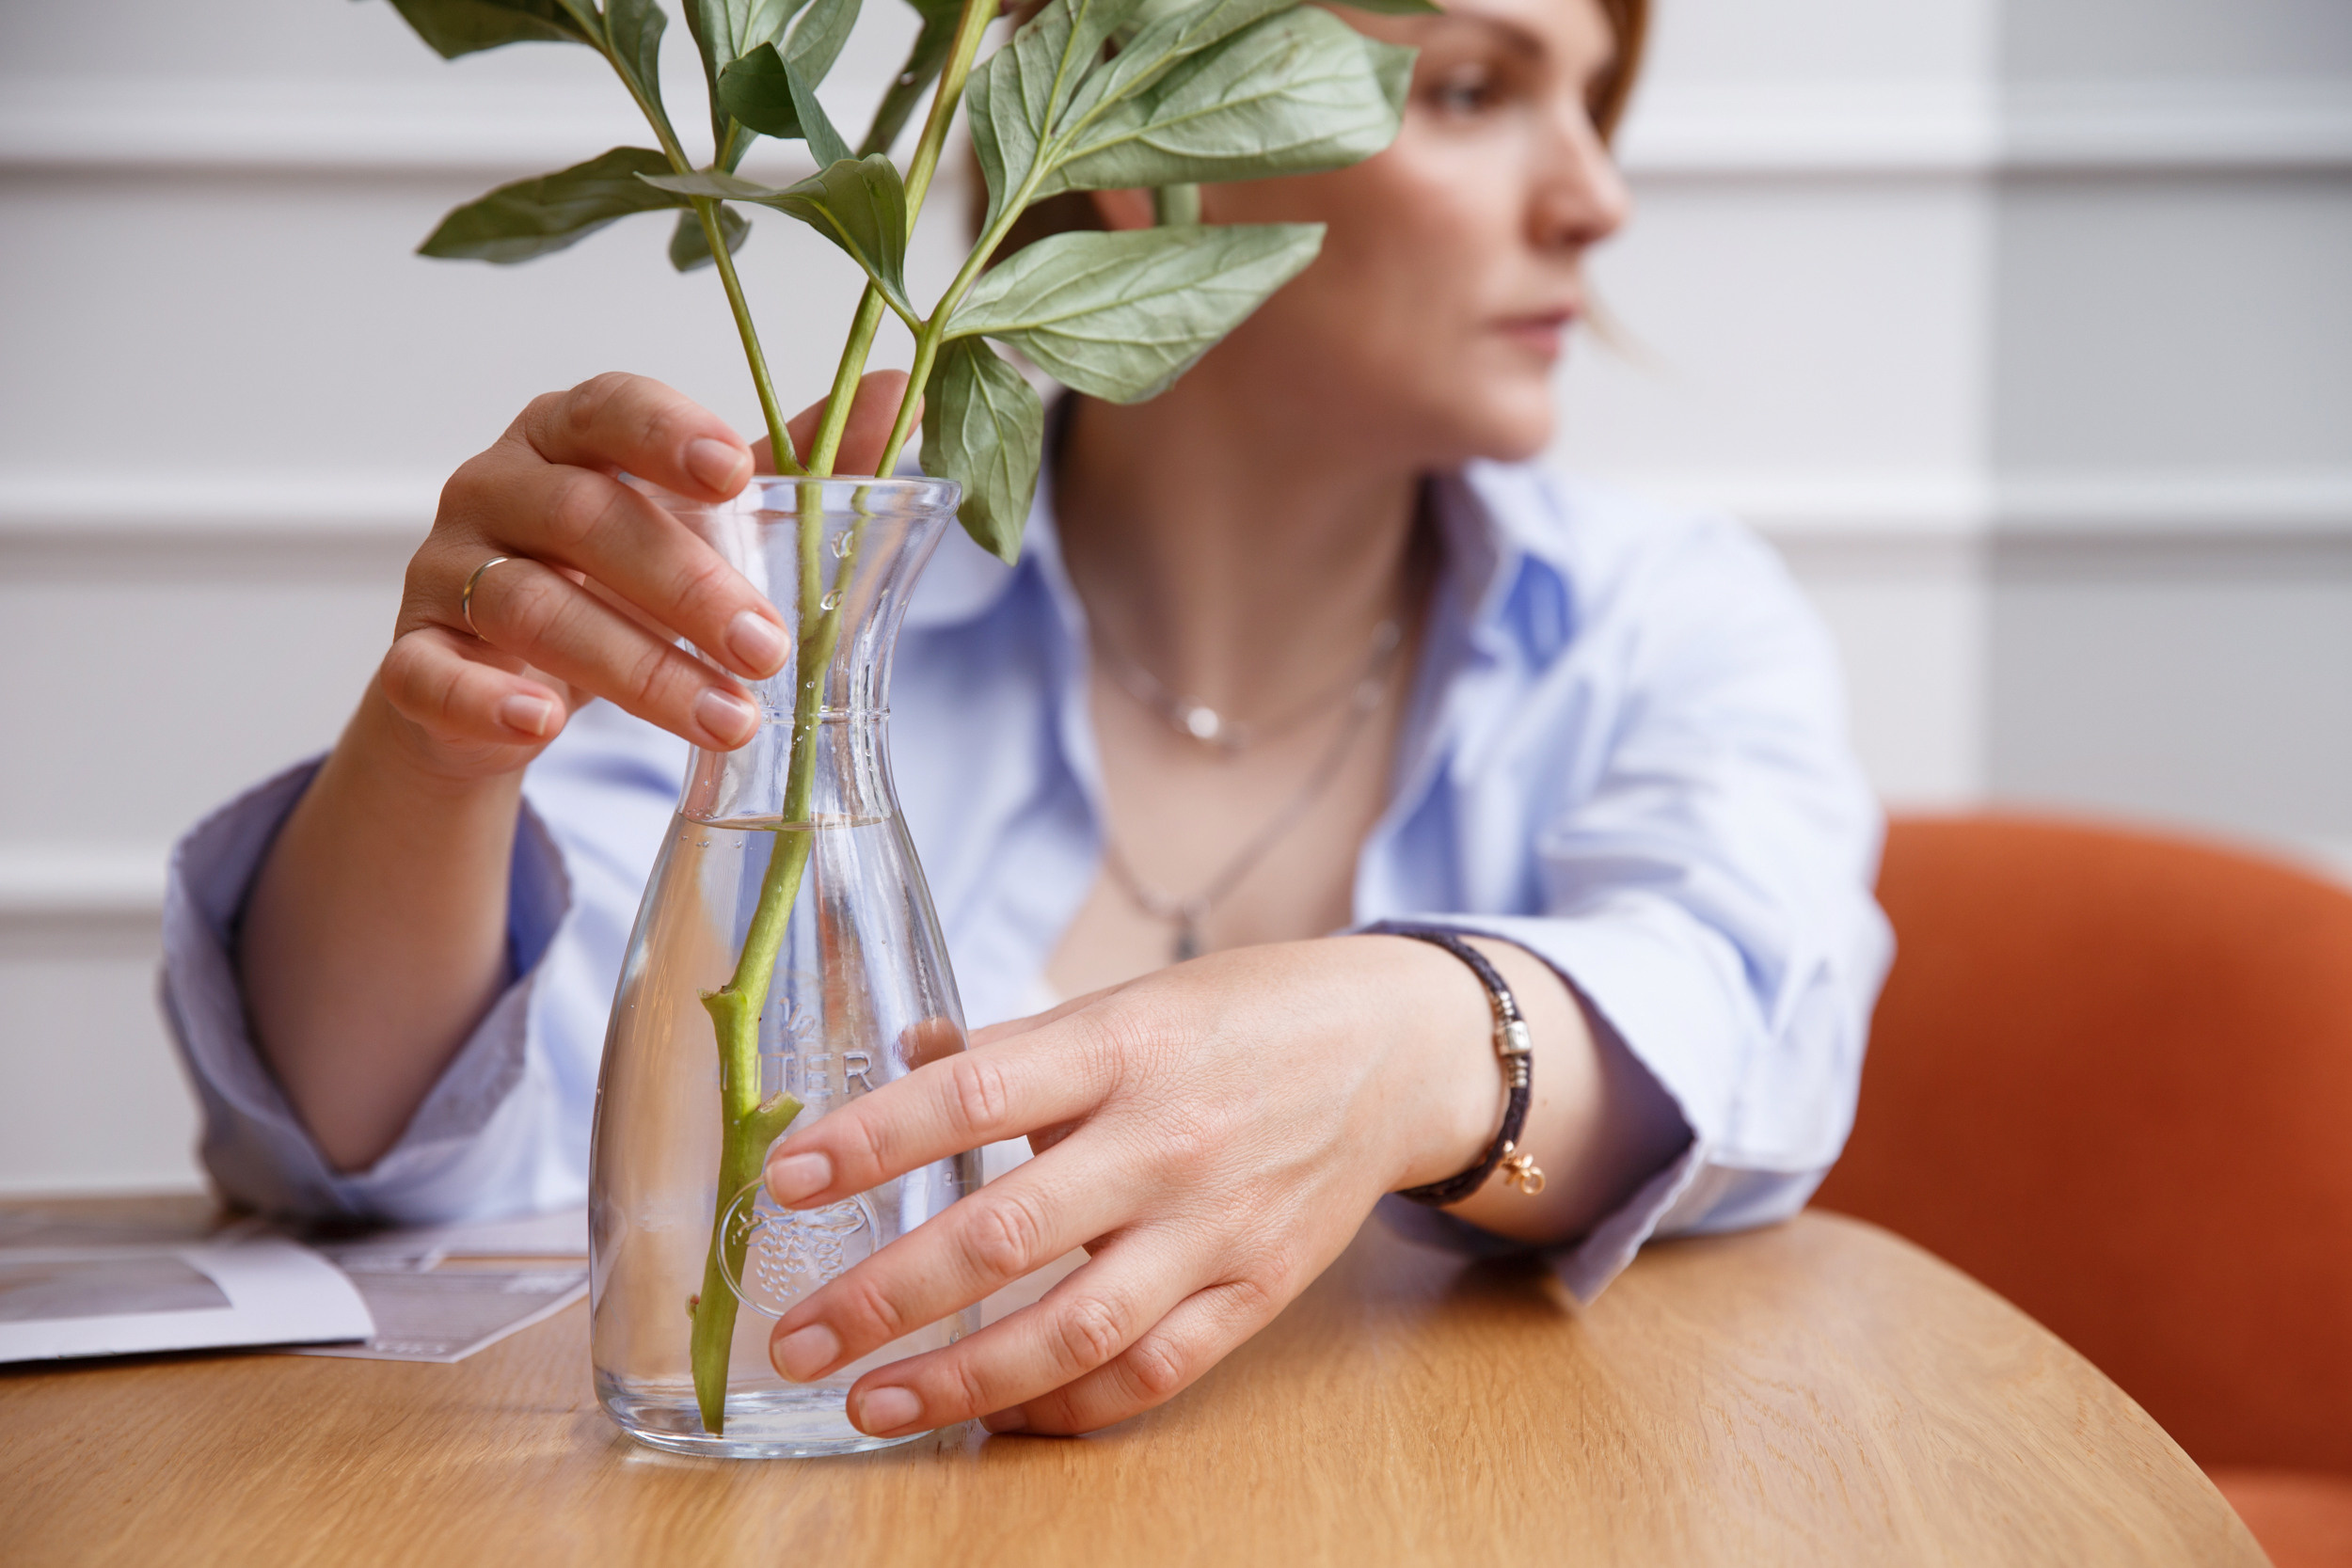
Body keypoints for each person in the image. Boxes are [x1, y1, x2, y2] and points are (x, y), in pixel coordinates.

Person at [163, 0, 1889, 1441]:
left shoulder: (1663, 620)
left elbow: (1759, 1000)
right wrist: (442, 753)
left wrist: (1410, 1041)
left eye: (1596, 103)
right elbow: (382, 1141)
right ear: (1142, 163)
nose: (1597, 198)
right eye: (1469, 89)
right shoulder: (818, 607)